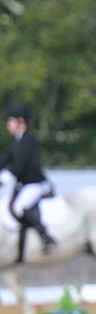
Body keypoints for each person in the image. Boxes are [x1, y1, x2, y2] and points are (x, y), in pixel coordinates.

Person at [1, 102, 55, 253]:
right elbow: (5, 160)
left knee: (20, 207)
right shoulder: (16, 141)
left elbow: (20, 165)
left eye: (10, 121)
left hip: (35, 184)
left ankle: (45, 236)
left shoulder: (29, 141)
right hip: (24, 184)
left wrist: (8, 175)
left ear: (21, 122)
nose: (8, 125)